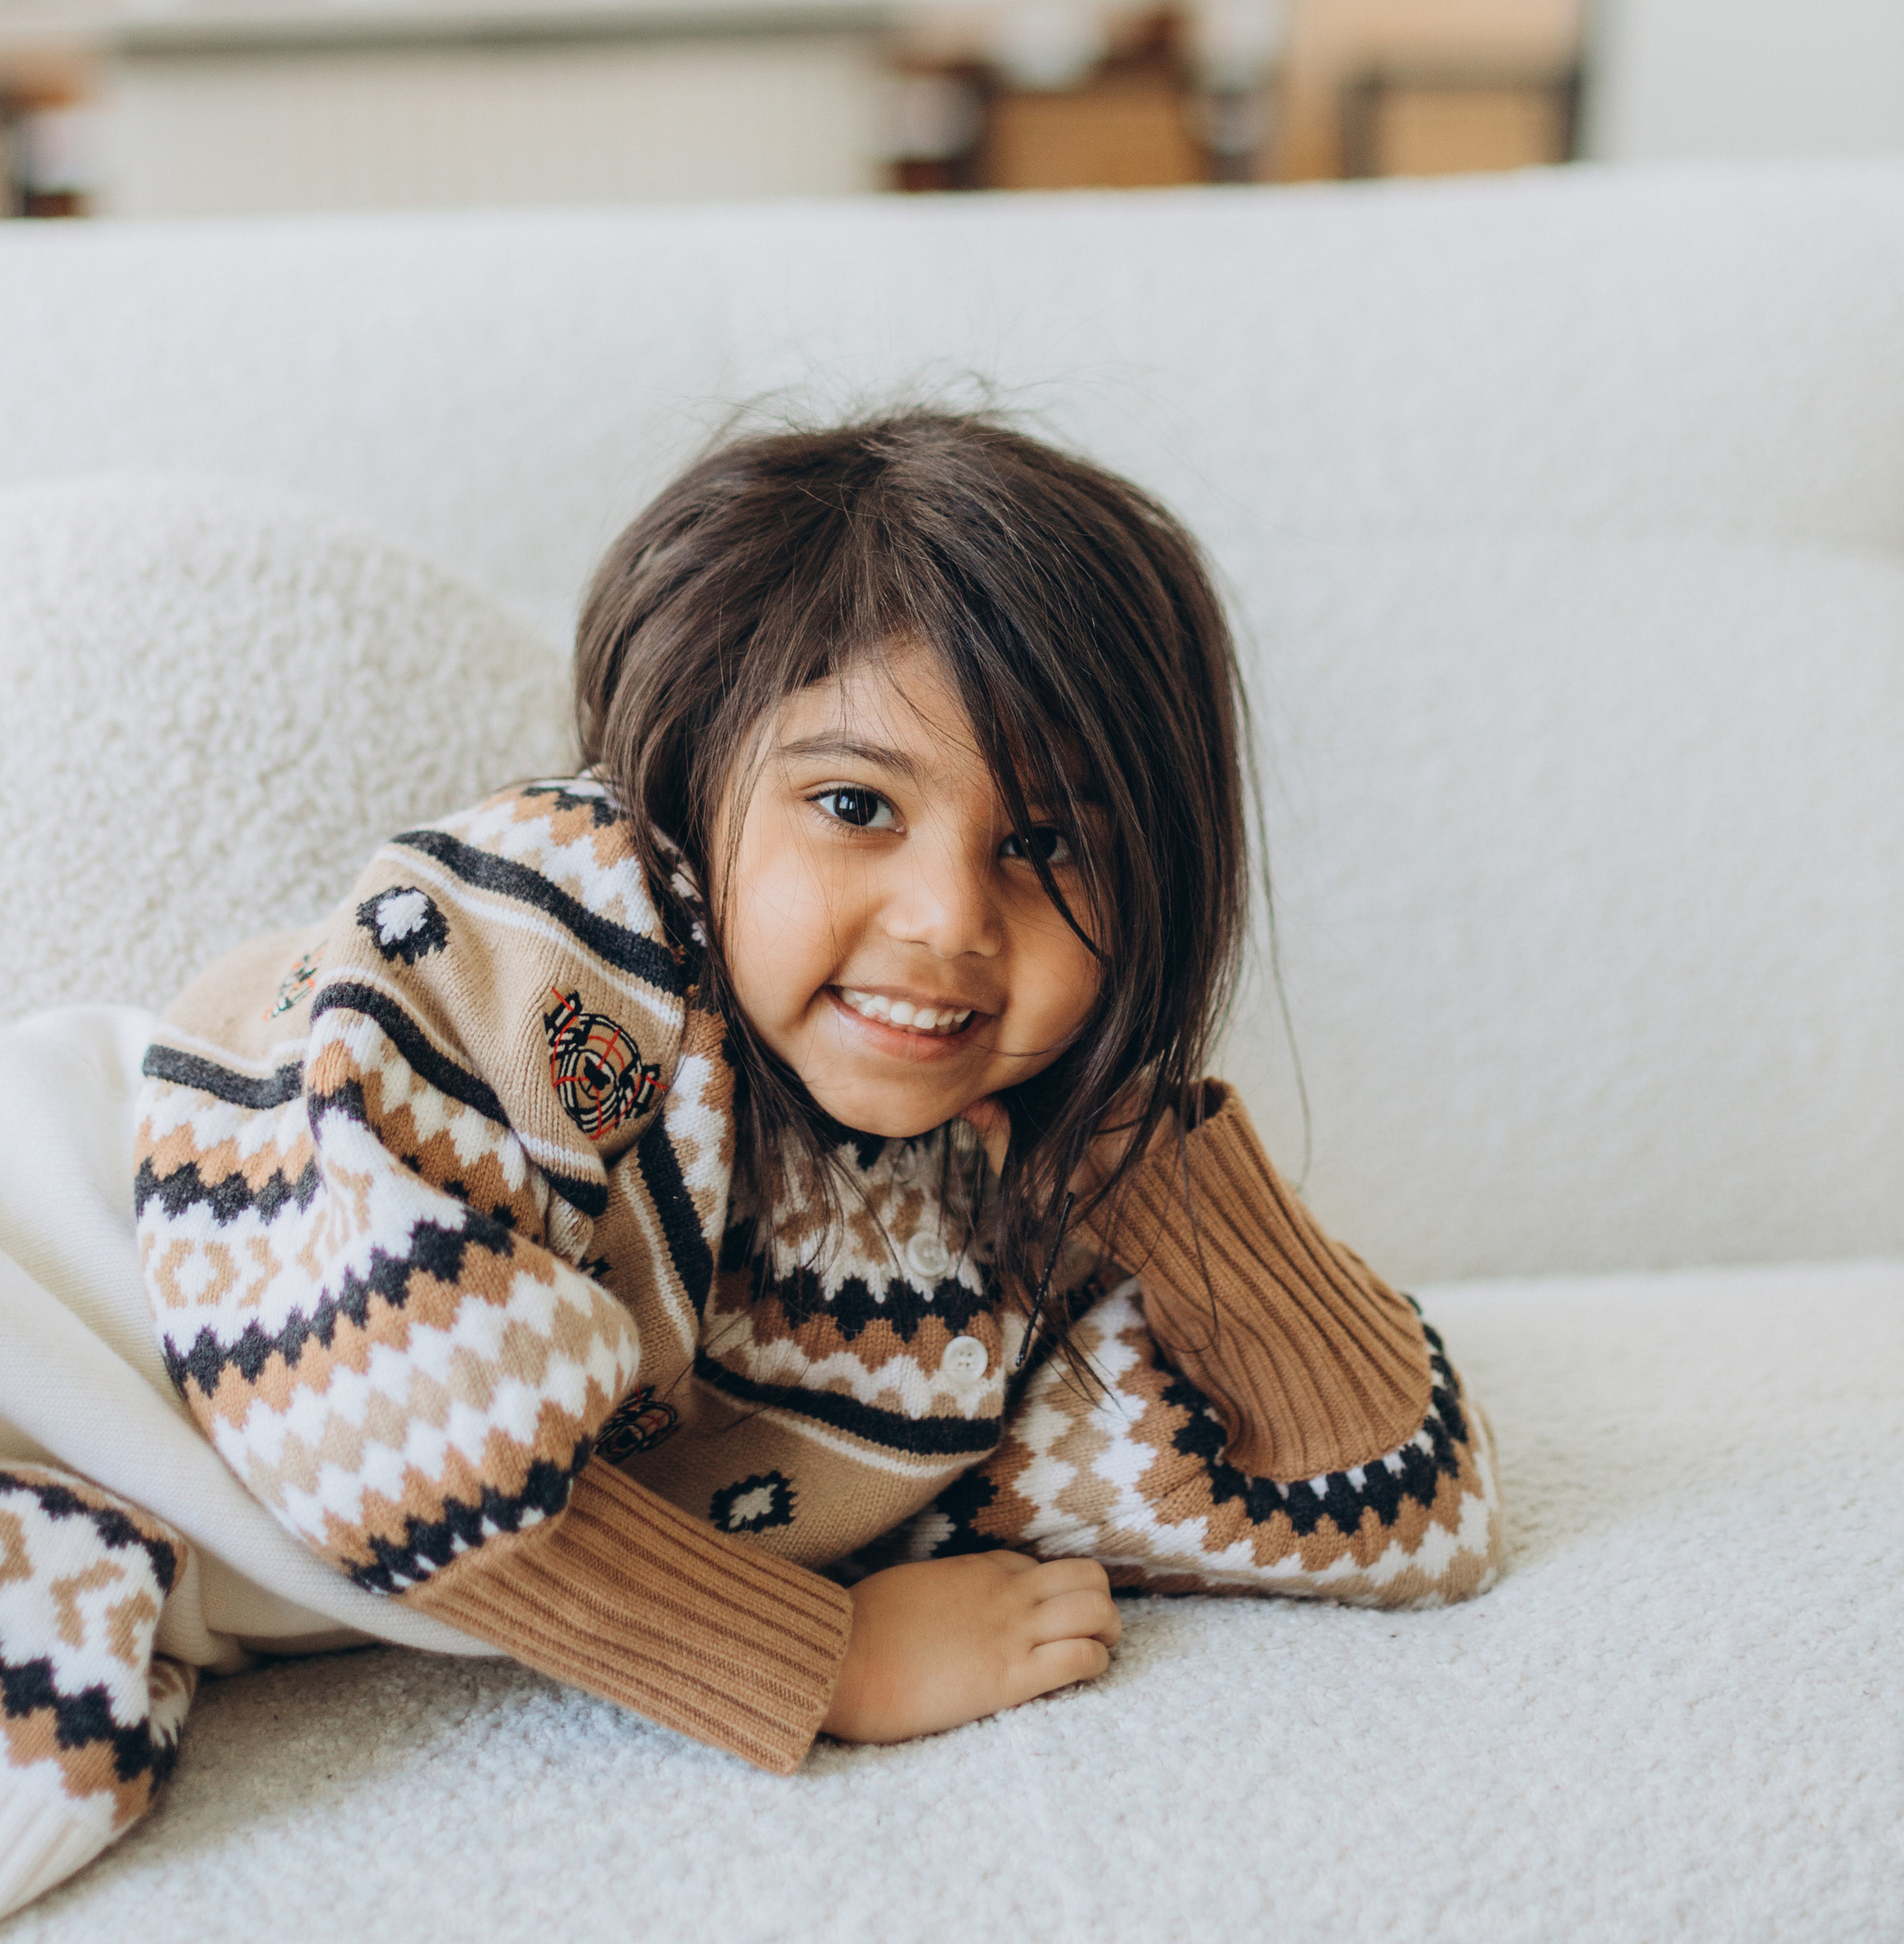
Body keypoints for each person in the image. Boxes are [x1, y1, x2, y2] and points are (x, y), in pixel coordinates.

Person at [141, 408, 1503, 1775]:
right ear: (689, 773)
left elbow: (1404, 1509)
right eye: (855, 806)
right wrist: (818, 1653)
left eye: (1047, 843)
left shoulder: (984, 1242)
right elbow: (374, 1414)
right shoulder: (567, 933)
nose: (950, 916)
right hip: (15, 1284)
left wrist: (1145, 1158)